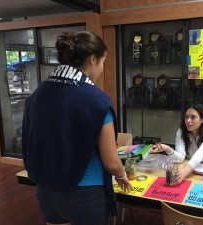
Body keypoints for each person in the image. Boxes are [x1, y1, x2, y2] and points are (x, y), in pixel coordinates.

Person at [22, 31, 132, 225]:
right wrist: (122, 175)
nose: (101, 68)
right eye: (103, 62)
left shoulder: (39, 93)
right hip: (84, 196)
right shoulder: (96, 100)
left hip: (46, 190)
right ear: (93, 59)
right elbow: (111, 162)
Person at [149, 103, 203, 183]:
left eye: (193, 117)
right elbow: (180, 158)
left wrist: (186, 169)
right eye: (186, 117)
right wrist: (168, 149)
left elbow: (202, 152)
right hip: (195, 171)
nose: (188, 120)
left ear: (202, 119)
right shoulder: (181, 132)